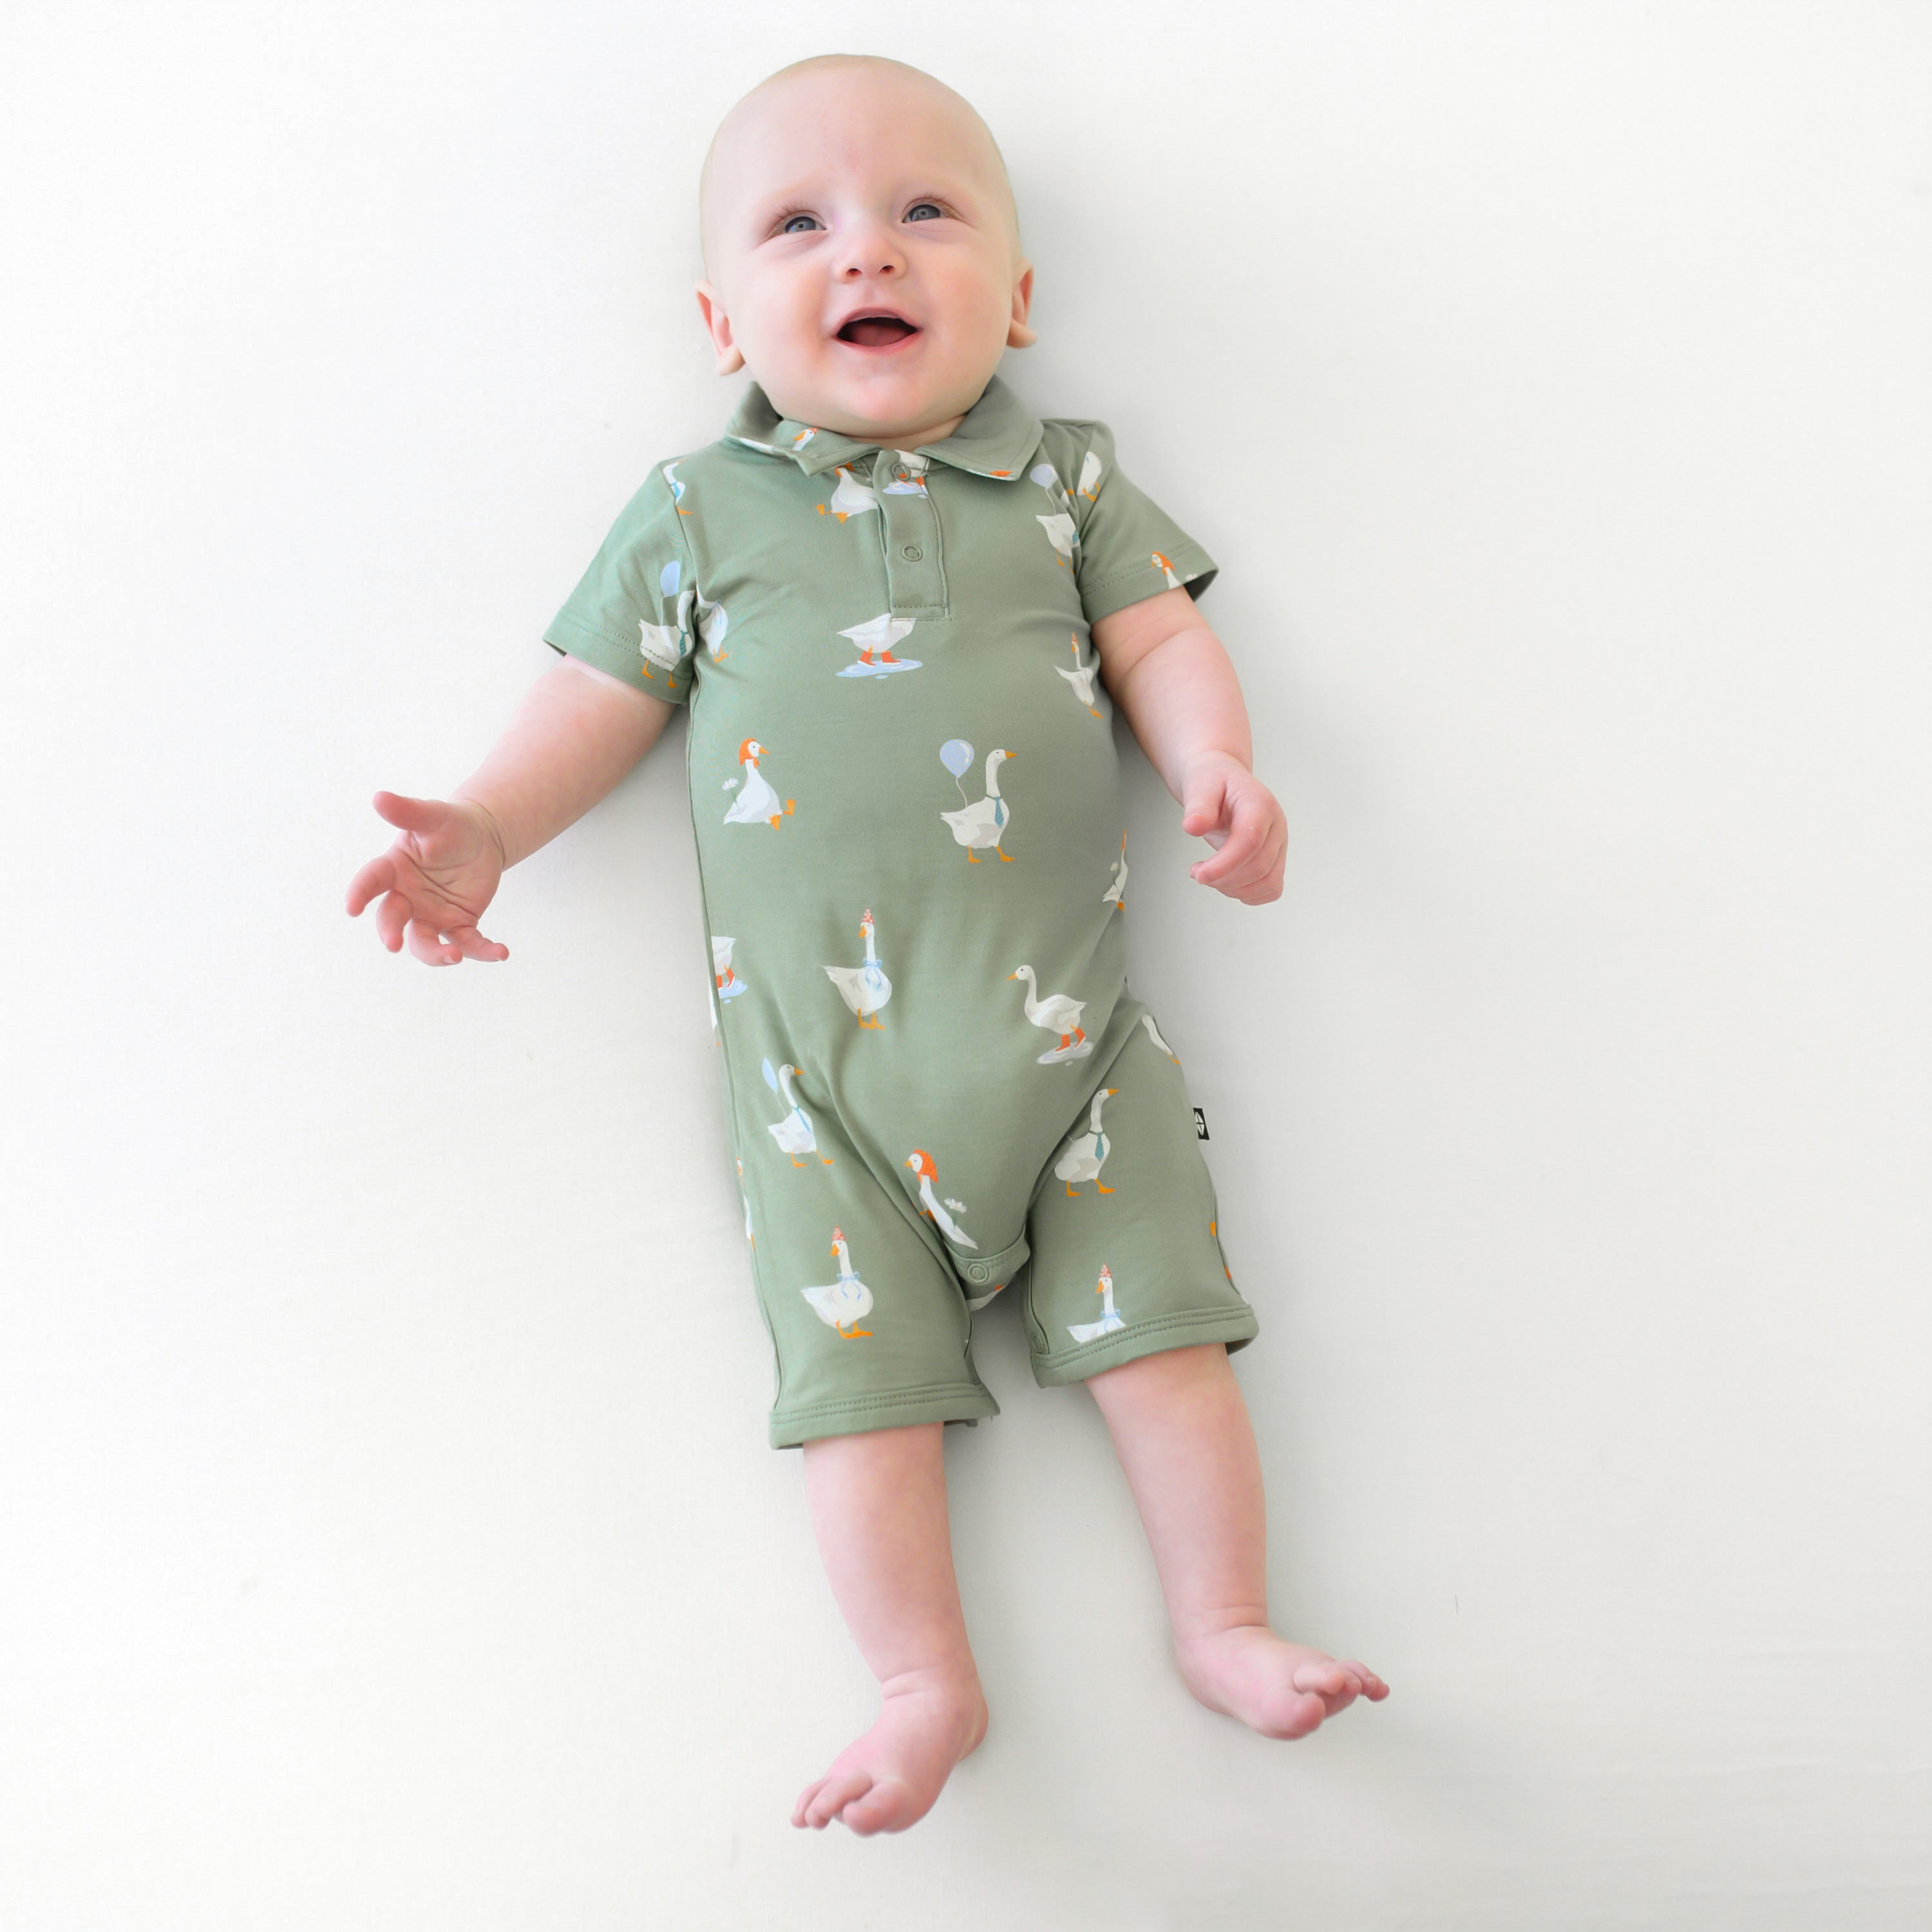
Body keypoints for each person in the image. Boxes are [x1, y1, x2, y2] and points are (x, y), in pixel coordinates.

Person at [345, 52, 1387, 1838]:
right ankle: (922, 1683)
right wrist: (492, 829)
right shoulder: (698, 511)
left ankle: (1225, 1623)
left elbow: (1156, 639)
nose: (867, 252)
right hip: (821, 1090)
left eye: (926, 212)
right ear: (719, 323)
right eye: (797, 224)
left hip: (1074, 1054)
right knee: (861, 1402)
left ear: (1018, 298)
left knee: (1172, 1348)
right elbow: (595, 698)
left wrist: (1218, 763)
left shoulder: (1065, 481)